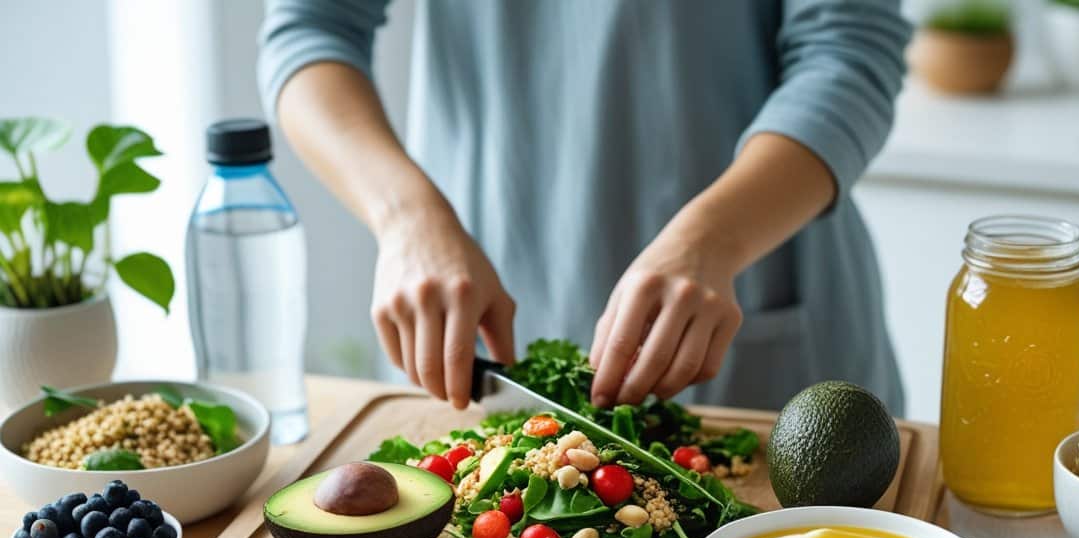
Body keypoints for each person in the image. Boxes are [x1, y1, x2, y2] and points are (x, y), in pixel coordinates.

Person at [259, 0, 909, 414]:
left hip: (756, 306)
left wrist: (712, 240)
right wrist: (406, 220)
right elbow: (310, 28)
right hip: (476, 313)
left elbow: (848, 55)